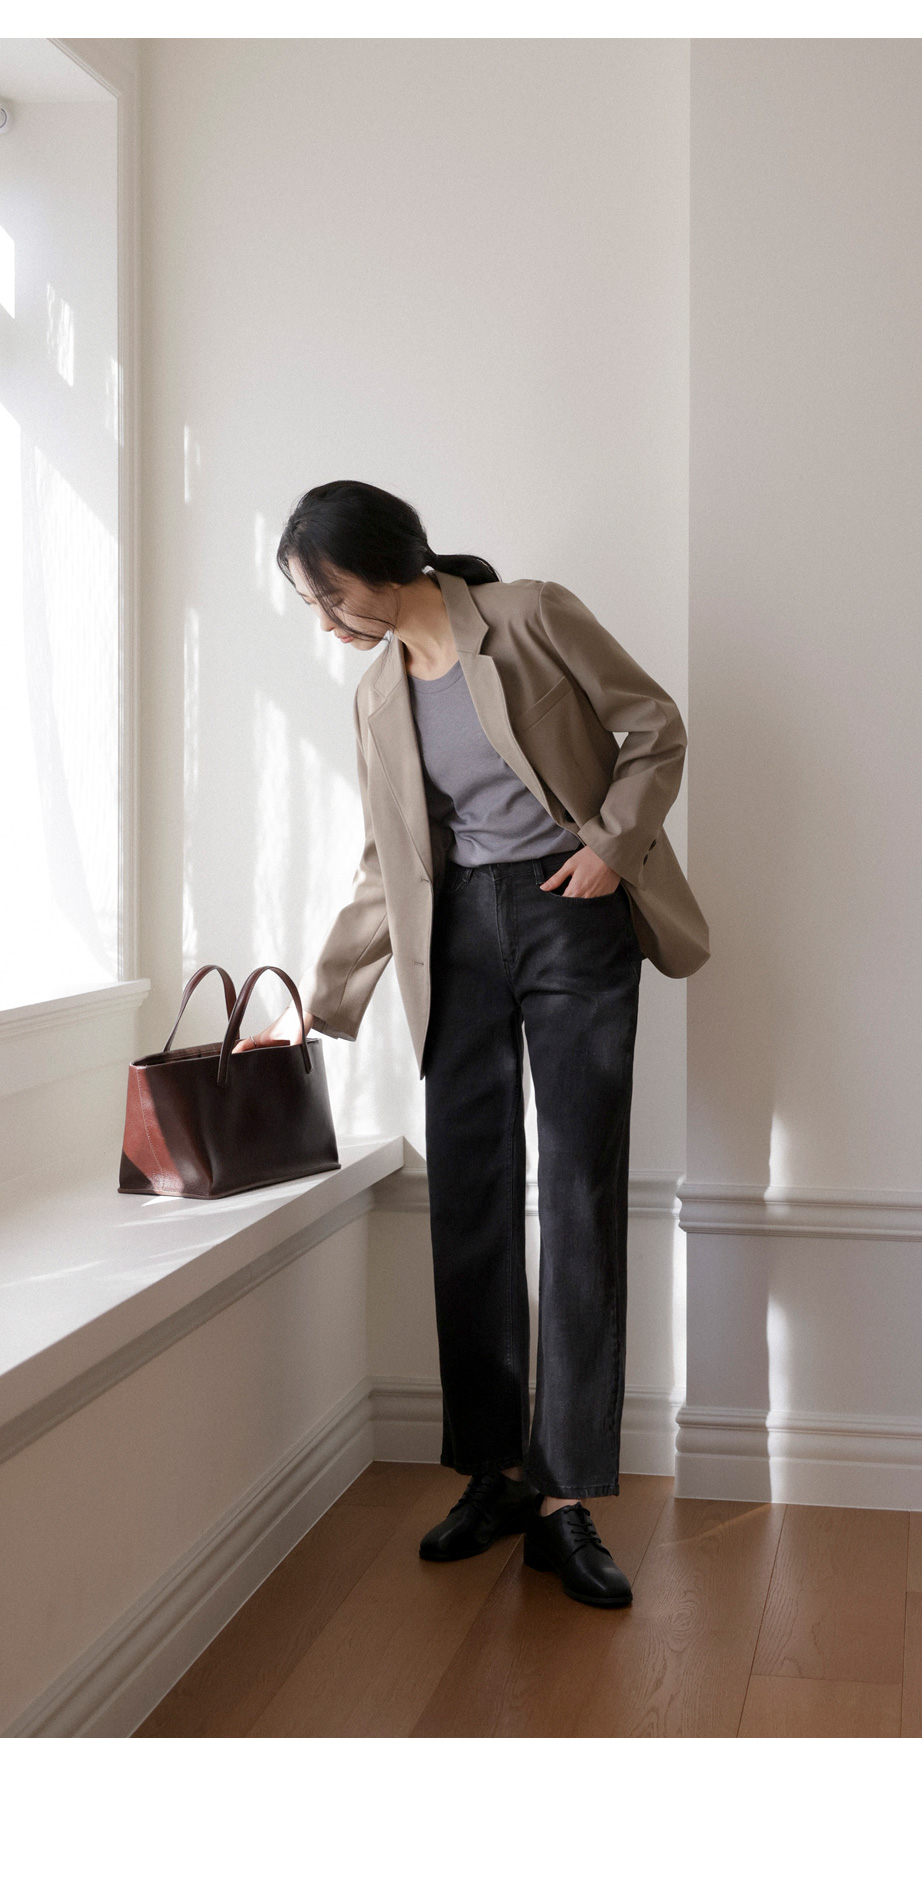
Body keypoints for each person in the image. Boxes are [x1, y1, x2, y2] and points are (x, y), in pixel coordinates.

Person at [235, 479, 710, 1608]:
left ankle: (564, 1501)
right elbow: (386, 864)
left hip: (570, 914)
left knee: (578, 1192)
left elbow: (654, 727)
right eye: (311, 603)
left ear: (387, 562)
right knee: (472, 1198)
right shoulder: (375, 694)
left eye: (330, 594)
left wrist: (610, 847)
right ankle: (494, 1474)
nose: (326, 620)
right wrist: (317, 1000)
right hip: (452, 942)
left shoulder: (530, 615)